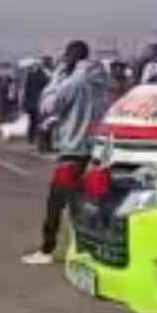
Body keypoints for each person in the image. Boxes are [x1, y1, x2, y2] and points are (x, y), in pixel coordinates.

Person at [22, 40, 110, 266]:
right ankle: (91, 248)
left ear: (71, 56)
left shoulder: (74, 81)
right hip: (96, 147)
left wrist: (58, 75)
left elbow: (49, 104)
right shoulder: (100, 78)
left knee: (56, 202)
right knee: (88, 202)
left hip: (73, 148)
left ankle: (47, 249)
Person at [20, 57, 50, 146]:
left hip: (33, 102)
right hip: (39, 102)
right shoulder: (44, 75)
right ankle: (36, 139)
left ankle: (32, 138)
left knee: (33, 121)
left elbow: (26, 90)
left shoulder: (31, 75)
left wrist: (25, 104)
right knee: (38, 121)